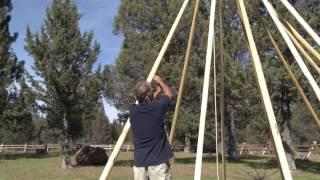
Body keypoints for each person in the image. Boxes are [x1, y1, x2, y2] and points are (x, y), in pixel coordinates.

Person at [129, 75, 174, 180]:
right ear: (148, 94)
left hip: (140, 163)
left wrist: (155, 93)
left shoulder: (132, 110)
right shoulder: (157, 108)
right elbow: (169, 94)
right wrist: (160, 82)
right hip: (158, 162)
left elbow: (148, 105)